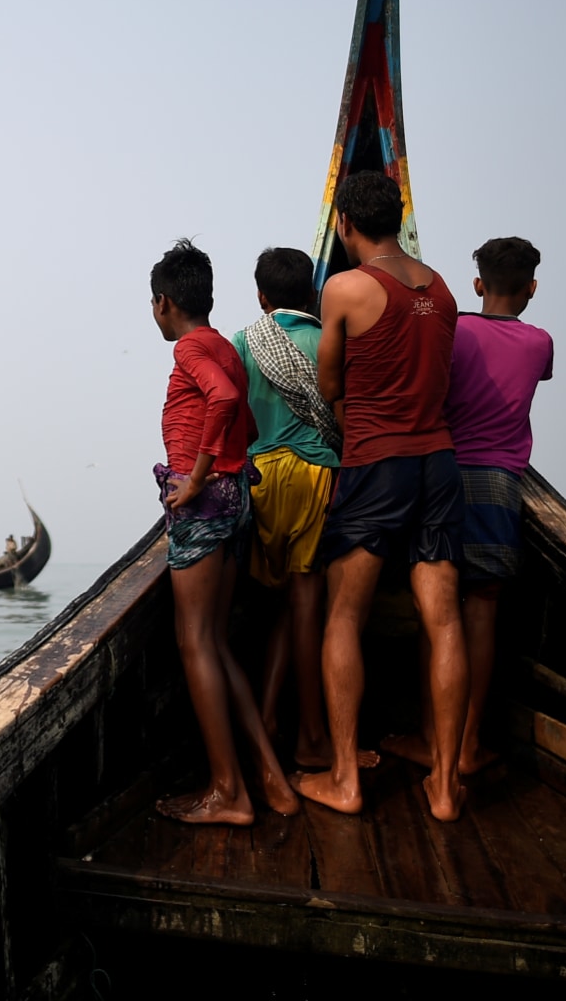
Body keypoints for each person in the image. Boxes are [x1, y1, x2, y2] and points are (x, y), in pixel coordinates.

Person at [292, 171, 465, 822]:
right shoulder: (442, 289)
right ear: (398, 218)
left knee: (343, 617)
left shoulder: (344, 287)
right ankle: (446, 789)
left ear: (345, 227)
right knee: (443, 621)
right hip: (438, 464)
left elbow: (330, 382)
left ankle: (344, 778)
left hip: (375, 466)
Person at [149, 238, 298, 825]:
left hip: (205, 504)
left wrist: (196, 479)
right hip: (234, 503)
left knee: (194, 643)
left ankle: (227, 792)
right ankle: (269, 777)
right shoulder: (224, 344)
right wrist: (229, 467)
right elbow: (250, 416)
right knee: (215, 643)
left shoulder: (190, 348)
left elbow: (226, 398)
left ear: (164, 302)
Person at [437, 237, 552, 775]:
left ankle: (433, 740)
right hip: (499, 486)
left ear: (477, 284)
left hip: (441, 475)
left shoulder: (453, 331)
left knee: (438, 615)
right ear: (531, 288)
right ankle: (467, 745)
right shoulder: (540, 343)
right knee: (481, 610)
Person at [231, 247, 342, 770]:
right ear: (313, 295)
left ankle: (271, 716)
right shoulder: (326, 340)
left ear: (261, 296)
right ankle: (313, 737)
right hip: (313, 474)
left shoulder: (242, 343)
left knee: (277, 606)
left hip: (259, 478)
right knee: (306, 606)